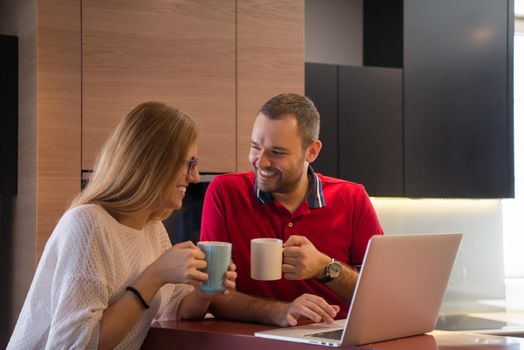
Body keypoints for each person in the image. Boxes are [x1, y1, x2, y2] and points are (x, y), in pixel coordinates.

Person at [7, 102, 237, 350]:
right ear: (152, 164)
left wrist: (205, 291)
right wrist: (154, 275)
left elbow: (175, 308)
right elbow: (74, 345)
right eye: (188, 163)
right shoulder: (88, 224)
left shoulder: (153, 229)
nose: (194, 176)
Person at [200, 93, 383, 327]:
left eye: (277, 153)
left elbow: (379, 296)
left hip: (333, 341)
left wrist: (324, 268)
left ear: (312, 151)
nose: (261, 162)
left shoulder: (353, 198)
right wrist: (280, 312)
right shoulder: (225, 192)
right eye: (256, 147)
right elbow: (213, 296)